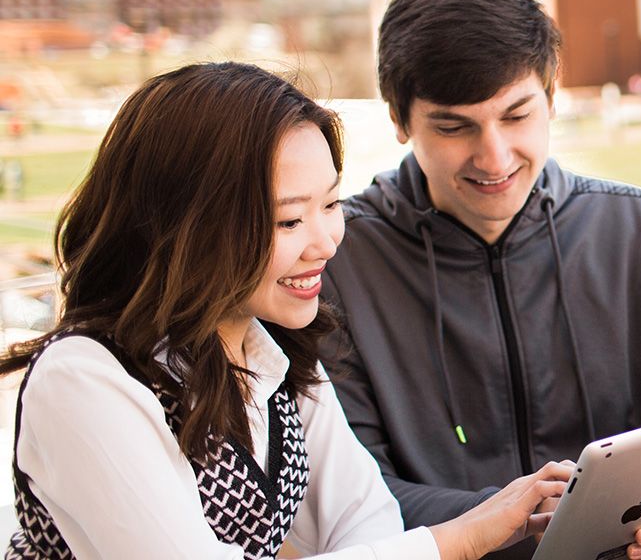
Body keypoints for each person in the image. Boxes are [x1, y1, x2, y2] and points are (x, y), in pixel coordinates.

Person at [4, 62, 572, 559]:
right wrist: (461, 538)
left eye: (331, 203)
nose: (326, 241)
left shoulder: (272, 350)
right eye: (288, 220)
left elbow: (363, 520)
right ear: (186, 227)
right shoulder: (85, 378)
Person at [319, 0, 641, 559]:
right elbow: (346, 493)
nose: (494, 157)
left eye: (516, 115)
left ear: (552, 97)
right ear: (399, 120)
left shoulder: (639, 228)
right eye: (454, 127)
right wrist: (519, 518)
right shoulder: (335, 258)